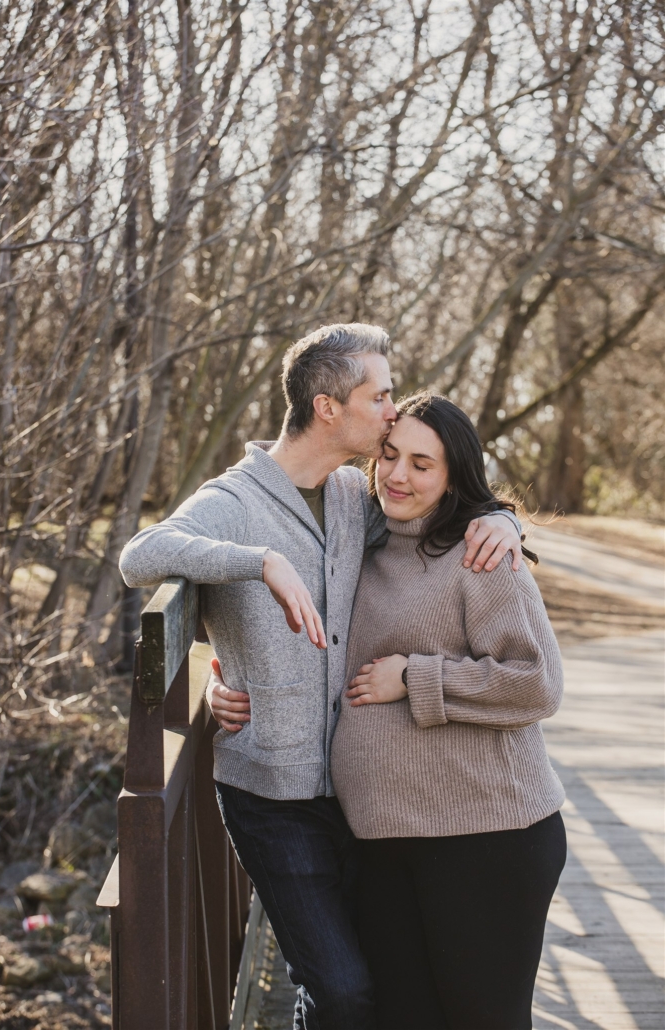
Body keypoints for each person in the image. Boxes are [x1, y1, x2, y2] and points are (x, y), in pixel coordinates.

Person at [119, 324, 522, 1030]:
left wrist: (505, 523)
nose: (393, 412)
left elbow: (432, 509)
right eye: (381, 395)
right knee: (340, 991)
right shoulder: (236, 501)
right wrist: (257, 562)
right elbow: (141, 555)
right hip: (272, 794)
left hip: (359, 790)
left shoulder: (347, 496)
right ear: (329, 407)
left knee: (378, 985)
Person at [330, 391, 566, 1030]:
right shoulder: (360, 537)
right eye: (389, 455)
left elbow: (536, 684)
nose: (398, 475)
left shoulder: (481, 556)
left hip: (485, 837)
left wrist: (416, 678)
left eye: (422, 464)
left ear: (454, 475)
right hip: (384, 840)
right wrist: (222, 683)